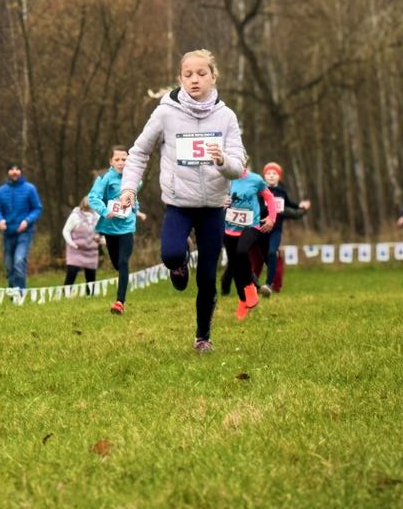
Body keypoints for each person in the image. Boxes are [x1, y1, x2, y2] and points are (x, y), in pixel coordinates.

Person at [117, 49, 246, 353]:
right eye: (188, 74)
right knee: (172, 254)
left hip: (213, 207)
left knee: (207, 278)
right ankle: (179, 264)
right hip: (178, 203)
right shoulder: (165, 113)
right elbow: (138, 153)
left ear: (213, 77)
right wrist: (128, 190)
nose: (194, 80)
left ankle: (203, 337)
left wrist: (223, 160)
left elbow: (239, 164)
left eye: (201, 74)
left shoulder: (226, 117)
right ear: (180, 78)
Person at [89, 146, 145, 314]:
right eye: (117, 160)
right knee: (116, 263)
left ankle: (120, 302)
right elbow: (93, 197)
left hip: (127, 227)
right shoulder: (105, 178)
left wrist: (135, 208)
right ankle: (122, 280)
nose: (121, 163)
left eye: (124, 159)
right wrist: (106, 211)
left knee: (123, 262)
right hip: (109, 228)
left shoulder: (135, 180)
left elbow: (134, 199)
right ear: (111, 162)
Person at [220, 159, 276, 320]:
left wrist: (271, 218)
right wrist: (222, 202)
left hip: (251, 226)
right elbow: (214, 200)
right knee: (235, 266)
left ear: (245, 163)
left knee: (242, 252)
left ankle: (250, 286)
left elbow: (270, 198)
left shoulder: (256, 179)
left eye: (241, 161)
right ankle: (243, 301)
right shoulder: (224, 179)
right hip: (229, 228)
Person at [257, 161, 310, 296]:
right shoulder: (260, 190)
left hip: (276, 228)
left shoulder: (282, 191)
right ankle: (252, 285)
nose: (271, 176)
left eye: (274, 173)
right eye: (269, 173)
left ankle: (269, 285)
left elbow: (290, 204)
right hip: (261, 228)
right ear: (264, 176)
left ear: (279, 177)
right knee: (258, 258)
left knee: (272, 252)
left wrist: (301, 206)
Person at [0, 162, 43, 291]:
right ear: (8, 173)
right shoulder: (1, 191)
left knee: (19, 261)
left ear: (20, 172)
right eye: (11, 169)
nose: (14, 172)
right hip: (8, 233)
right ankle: (12, 290)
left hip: (25, 232)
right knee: (9, 266)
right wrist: (0, 220)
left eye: (17, 169)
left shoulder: (30, 189)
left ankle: (19, 293)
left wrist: (27, 221)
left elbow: (37, 208)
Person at [62, 196, 101, 294]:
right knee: (72, 273)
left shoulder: (97, 217)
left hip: (91, 251)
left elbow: (102, 232)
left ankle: (90, 295)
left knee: (91, 276)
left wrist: (101, 239)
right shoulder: (75, 216)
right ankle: (66, 293)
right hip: (76, 251)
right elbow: (66, 231)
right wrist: (71, 243)